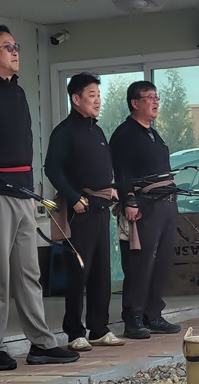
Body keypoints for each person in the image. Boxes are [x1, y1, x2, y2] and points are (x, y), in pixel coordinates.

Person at [0, 24, 79, 370]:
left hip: (23, 193)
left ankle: (41, 344)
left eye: (16, 47)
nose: (15, 52)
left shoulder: (18, 92)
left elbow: (25, 145)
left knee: (29, 272)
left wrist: (31, 192)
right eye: (7, 47)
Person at [44, 72, 125, 351]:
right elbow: (52, 169)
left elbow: (102, 168)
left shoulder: (97, 130)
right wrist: (73, 197)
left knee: (101, 271)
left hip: (101, 208)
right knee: (78, 271)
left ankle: (99, 328)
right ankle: (74, 332)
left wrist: (111, 189)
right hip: (79, 209)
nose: (98, 100)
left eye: (99, 95)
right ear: (76, 98)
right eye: (92, 95)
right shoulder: (64, 131)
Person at [109, 81, 181, 339]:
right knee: (140, 261)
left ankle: (154, 314)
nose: (155, 101)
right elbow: (122, 171)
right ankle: (134, 317)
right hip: (143, 206)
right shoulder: (125, 134)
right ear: (134, 102)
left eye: (156, 97)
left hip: (165, 204)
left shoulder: (153, 133)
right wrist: (129, 200)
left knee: (161, 262)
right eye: (150, 97)